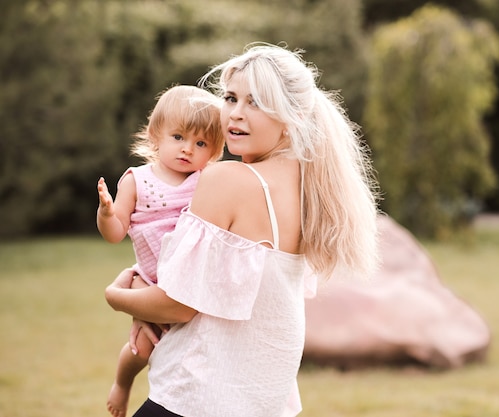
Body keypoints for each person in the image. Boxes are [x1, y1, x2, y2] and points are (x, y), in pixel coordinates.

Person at [105, 43, 380, 417]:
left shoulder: (228, 180)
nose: (235, 114)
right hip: (264, 401)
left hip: (195, 397)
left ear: (292, 115)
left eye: (256, 102)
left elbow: (177, 304)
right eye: (231, 98)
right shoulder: (312, 186)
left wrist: (118, 295)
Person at [97, 84, 224, 417]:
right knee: (141, 348)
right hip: (151, 280)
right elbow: (115, 234)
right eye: (179, 137)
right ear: (156, 134)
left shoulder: (205, 180)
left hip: (188, 283)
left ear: (213, 151)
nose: (187, 149)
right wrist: (107, 214)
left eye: (200, 143)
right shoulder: (137, 180)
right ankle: (123, 384)